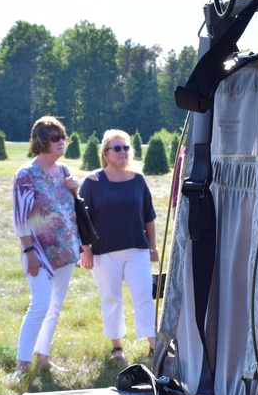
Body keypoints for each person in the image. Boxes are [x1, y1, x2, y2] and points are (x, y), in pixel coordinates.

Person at [79, 129, 158, 362]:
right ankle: (117, 346)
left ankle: (154, 346)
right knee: (111, 298)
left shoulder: (138, 180)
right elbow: (83, 220)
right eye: (117, 148)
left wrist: (152, 248)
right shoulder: (92, 182)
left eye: (126, 148)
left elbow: (149, 217)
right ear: (105, 153)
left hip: (137, 249)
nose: (123, 152)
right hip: (104, 253)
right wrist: (86, 250)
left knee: (143, 296)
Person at [12, 116, 80, 374]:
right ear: (41, 141)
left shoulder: (63, 171)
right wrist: (28, 251)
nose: (61, 141)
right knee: (40, 304)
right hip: (39, 252)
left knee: (55, 307)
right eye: (55, 138)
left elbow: (68, 210)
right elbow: (21, 218)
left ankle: (43, 357)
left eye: (62, 136)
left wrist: (75, 191)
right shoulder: (26, 175)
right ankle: (22, 363)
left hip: (66, 250)